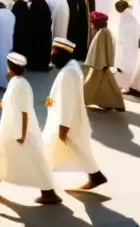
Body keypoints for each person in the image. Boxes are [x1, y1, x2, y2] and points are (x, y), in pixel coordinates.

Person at [0, 52, 61, 205]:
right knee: (2, 156)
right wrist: (1, 104)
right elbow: (13, 103)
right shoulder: (16, 83)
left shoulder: (20, 85)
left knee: (34, 160)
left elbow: (24, 112)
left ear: (10, 68)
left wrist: (22, 134)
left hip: (20, 132)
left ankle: (49, 192)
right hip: (11, 130)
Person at [44, 38, 107, 191]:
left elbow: (67, 101)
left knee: (49, 152)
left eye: (54, 52)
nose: (52, 54)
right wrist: (50, 102)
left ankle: (46, 189)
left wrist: (63, 126)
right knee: (79, 149)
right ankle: (96, 175)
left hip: (65, 121)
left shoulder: (68, 73)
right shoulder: (72, 67)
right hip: (68, 120)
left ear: (61, 54)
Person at [83, 12, 125, 110]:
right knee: (107, 85)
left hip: (99, 65)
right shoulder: (106, 31)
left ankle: (80, 100)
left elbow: (99, 51)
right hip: (104, 65)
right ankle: (113, 104)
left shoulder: (102, 33)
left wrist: (99, 64)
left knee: (90, 84)